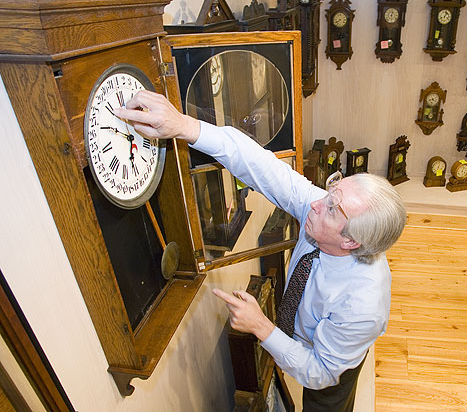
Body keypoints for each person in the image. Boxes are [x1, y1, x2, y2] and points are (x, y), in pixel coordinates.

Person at [115, 90, 407, 411]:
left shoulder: (362, 309)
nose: (317, 204)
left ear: (352, 242)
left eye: (333, 209)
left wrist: (260, 326)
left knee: (325, 400)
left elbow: (320, 371)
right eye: (332, 189)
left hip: (331, 358)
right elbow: (261, 165)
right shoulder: (320, 210)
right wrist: (184, 126)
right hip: (306, 332)